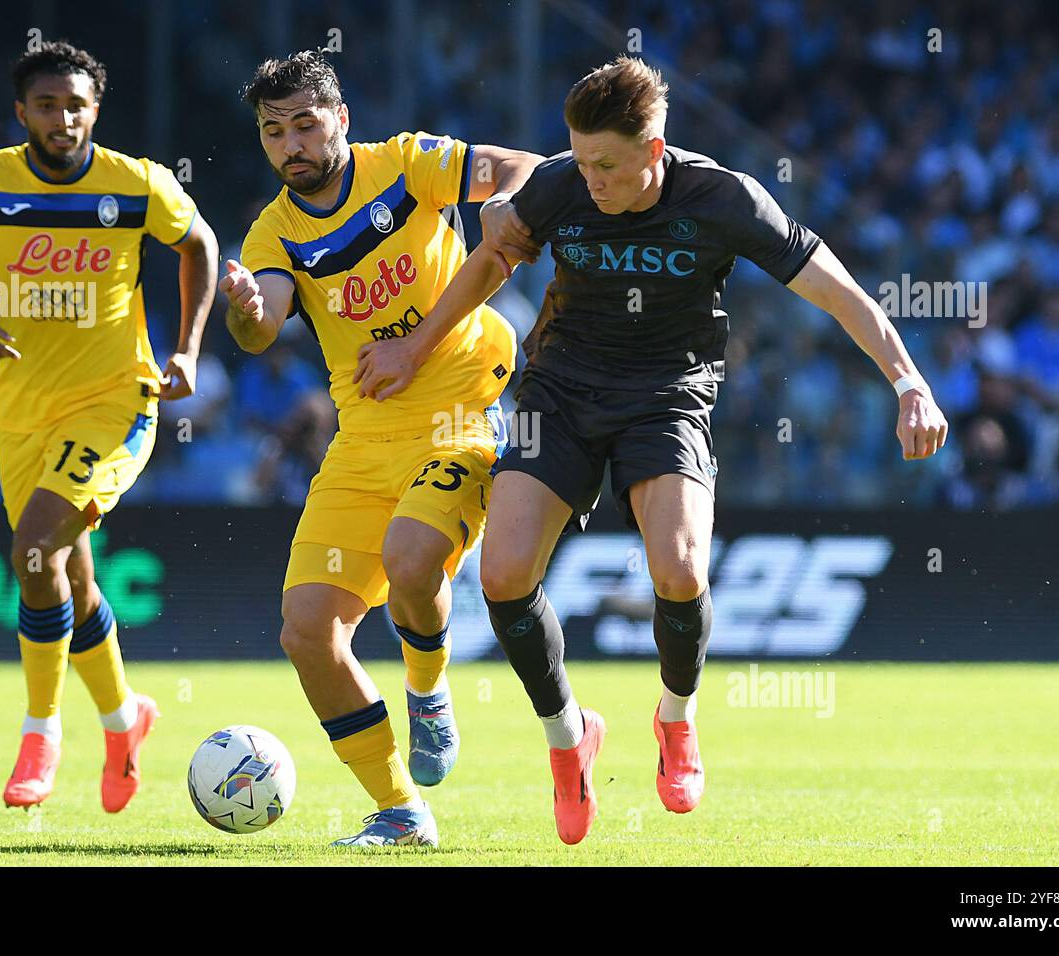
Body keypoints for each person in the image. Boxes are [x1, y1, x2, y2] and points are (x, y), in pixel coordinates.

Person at [356, 56, 948, 844]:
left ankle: (676, 719)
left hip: (666, 396)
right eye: (578, 157)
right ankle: (569, 742)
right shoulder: (563, 185)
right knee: (502, 575)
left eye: (605, 163)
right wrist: (414, 349)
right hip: (561, 394)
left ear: (655, 151)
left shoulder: (725, 199)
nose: (587, 177)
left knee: (680, 568)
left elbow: (837, 290)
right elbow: (489, 261)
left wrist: (909, 381)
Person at [222, 51, 542, 847]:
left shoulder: (406, 164)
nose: (290, 143)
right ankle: (400, 811)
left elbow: (526, 167)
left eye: (304, 122)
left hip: (459, 408)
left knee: (410, 558)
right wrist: (242, 311)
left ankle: (427, 691)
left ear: (340, 119)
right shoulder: (275, 230)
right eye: (273, 131)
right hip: (363, 436)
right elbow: (262, 324)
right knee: (306, 630)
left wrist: (502, 200)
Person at [0, 41, 219, 812]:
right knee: (63, 576)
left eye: (76, 104)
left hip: (118, 402)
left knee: (33, 548)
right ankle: (124, 721)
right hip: (20, 412)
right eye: (46, 105)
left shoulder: (134, 182)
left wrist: (185, 349)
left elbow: (200, 245)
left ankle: (41, 731)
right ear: (22, 113)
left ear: (95, 110)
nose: (63, 118)